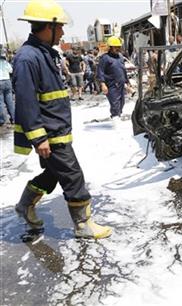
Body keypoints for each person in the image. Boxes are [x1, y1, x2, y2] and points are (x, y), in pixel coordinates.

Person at [13, 0, 112, 239]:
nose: (64, 32)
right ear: (48, 26)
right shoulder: (28, 58)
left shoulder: (44, 53)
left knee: (53, 174)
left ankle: (25, 205)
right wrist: (39, 139)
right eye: (61, 28)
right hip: (49, 133)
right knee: (72, 176)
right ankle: (83, 224)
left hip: (57, 130)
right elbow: (26, 102)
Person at [97, 36, 132, 119]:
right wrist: (103, 84)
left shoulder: (120, 57)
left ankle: (118, 115)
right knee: (114, 103)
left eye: (119, 47)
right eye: (115, 47)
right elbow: (100, 71)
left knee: (122, 102)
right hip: (111, 85)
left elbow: (123, 70)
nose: (118, 48)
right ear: (110, 47)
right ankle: (115, 117)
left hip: (121, 83)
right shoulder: (105, 58)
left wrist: (127, 82)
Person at [0, 48, 14, 126]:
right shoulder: (5, 62)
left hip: (0, 81)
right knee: (10, 101)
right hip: (7, 81)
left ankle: (2, 120)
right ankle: (13, 118)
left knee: (1, 102)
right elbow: (11, 71)